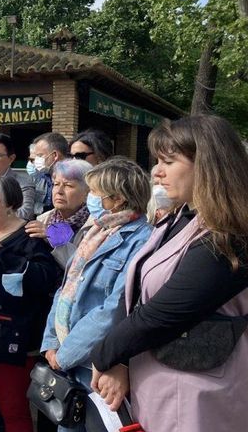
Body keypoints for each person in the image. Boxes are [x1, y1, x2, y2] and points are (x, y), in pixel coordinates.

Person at [90, 115, 248, 431]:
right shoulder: (179, 220)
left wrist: (103, 354)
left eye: (169, 161)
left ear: (208, 165)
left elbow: (165, 313)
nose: (157, 172)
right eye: (157, 161)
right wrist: (119, 359)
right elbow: (132, 293)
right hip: (156, 389)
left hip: (198, 399)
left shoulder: (229, 235)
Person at [38, 159, 151, 432]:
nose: (90, 199)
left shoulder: (142, 238)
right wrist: (51, 343)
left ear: (118, 198)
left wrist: (66, 354)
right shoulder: (96, 231)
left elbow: (114, 309)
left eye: (96, 193)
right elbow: (66, 289)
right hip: (68, 363)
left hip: (98, 367)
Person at [0, 176, 59, 432]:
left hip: (11, 337)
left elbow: (43, 280)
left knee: (13, 409)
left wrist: (0, 253)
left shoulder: (30, 235)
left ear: (10, 204)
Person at [24, 159, 93, 266]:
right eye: (56, 184)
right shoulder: (43, 219)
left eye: (68, 185)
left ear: (87, 192)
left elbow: (82, 267)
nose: (59, 191)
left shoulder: (95, 225)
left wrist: (53, 236)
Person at [31, 132, 70, 215]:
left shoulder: (75, 178)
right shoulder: (37, 178)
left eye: (40, 155)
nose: (36, 160)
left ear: (55, 155)